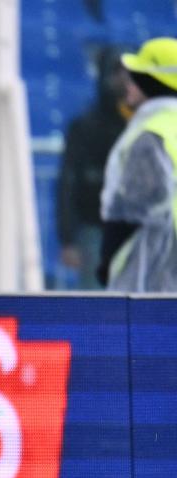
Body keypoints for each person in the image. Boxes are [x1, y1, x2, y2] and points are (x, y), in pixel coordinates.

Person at [98, 37, 177, 292]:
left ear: (153, 82)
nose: (128, 84)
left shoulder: (151, 133)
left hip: (151, 264)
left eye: (137, 77)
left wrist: (109, 255)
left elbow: (133, 208)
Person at [56, 46, 129, 289]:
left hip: (137, 231)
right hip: (95, 230)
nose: (123, 80)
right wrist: (67, 239)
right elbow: (67, 183)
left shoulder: (142, 127)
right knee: (97, 304)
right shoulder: (84, 127)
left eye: (129, 74)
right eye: (117, 72)